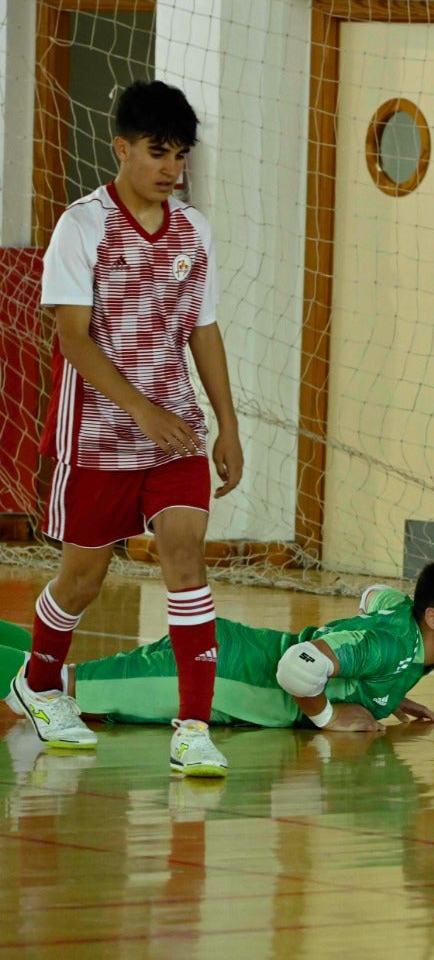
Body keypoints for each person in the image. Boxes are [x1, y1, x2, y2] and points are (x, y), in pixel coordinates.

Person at [7, 81, 242, 775]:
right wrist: (140, 409)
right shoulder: (82, 227)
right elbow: (74, 339)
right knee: (82, 579)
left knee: (185, 557)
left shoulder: (193, 232)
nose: (172, 169)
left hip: (176, 436)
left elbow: (203, 330)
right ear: (122, 148)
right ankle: (40, 682)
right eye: (158, 152)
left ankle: (192, 727)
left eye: (181, 155)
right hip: (99, 437)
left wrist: (227, 425)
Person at [2, 555, 434, 767]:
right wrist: (327, 716)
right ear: (433, 618)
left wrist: (384, 690)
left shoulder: (404, 627)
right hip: (219, 671)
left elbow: (376, 597)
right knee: (49, 688)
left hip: (226, 658)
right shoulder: (393, 645)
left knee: (54, 676)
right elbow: (297, 667)